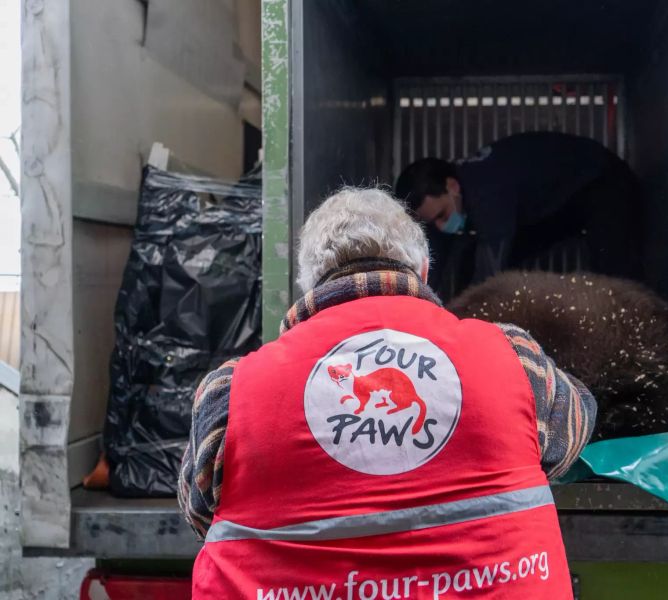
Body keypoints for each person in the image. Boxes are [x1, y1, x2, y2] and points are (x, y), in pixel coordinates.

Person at [179, 187, 597, 598]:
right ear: (424, 270)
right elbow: (573, 426)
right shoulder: (513, 357)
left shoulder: (230, 392)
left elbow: (197, 510)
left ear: (306, 285)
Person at [395, 131, 641, 299]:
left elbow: (488, 274)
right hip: (560, 201)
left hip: (602, 182)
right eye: (432, 222)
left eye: (442, 215)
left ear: (453, 187)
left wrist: (465, 323)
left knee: (615, 276)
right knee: (474, 256)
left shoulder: (487, 191)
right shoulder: (453, 195)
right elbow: (436, 257)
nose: (441, 226)